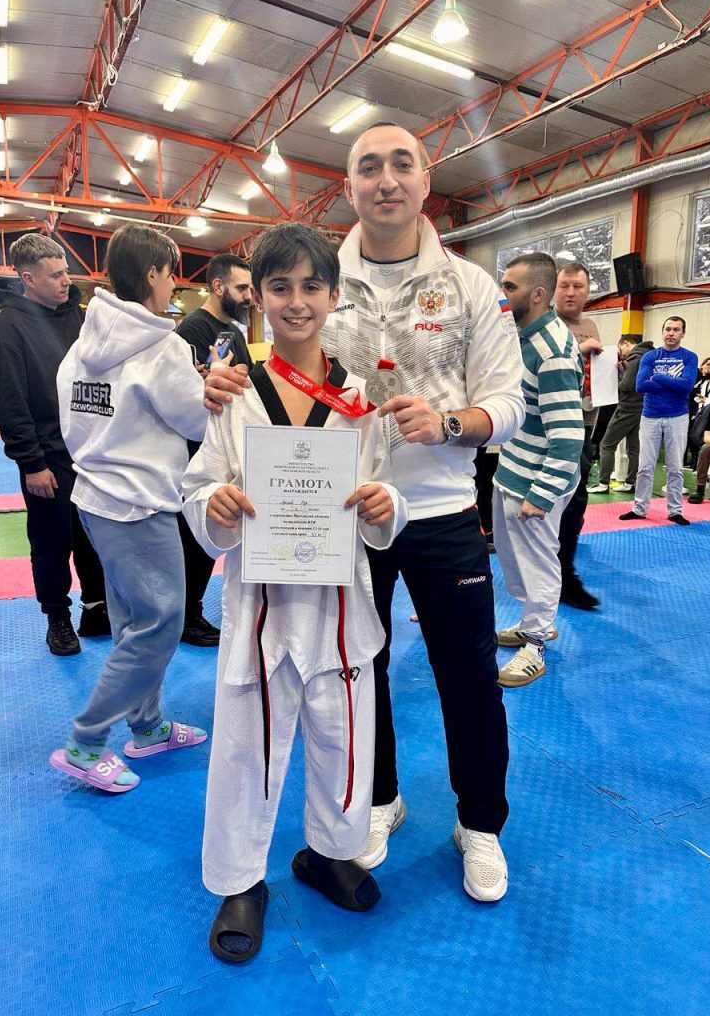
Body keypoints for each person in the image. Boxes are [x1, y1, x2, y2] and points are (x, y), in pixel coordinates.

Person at [202, 121, 525, 904]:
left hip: (441, 509)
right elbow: (269, 374)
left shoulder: (470, 286)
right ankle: (374, 802)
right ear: (348, 186)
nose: (386, 180)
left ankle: (479, 824)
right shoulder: (315, 272)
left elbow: (510, 403)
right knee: (353, 671)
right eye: (369, 167)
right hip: (333, 518)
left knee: (468, 675)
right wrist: (215, 385)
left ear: (425, 180)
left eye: (401, 165)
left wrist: (451, 424)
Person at [182, 223, 407, 963]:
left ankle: (329, 852)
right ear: (258, 296)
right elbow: (198, 485)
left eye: (312, 286)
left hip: (339, 608)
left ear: (335, 295)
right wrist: (213, 504)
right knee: (245, 748)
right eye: (280, 287)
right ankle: (240, 881)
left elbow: (386, 493)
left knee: (344, 740)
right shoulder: (233, 391)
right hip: (260, 605)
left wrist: (385, 507)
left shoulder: (360, 396)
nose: (297, 301)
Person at [49, 224, 209, 794]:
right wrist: (213, 388)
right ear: (152, 273)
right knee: (160, 624)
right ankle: (86, 741)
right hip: (139, 505)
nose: (174, 285)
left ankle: (147, 726)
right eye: (171, 273)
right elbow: (197, 421)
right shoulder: (162, 346)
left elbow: (72, 415)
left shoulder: (85, 341)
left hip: (95, 498)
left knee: (133, 622)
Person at [0, 234, 108, 656]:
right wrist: (31, 463)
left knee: (94, 537)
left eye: (65, 272)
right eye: (55, 275)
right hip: (47, 460)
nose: (66, 281)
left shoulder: (80, 318)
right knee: (52, 542)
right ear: (28, 279)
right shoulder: (8, 329)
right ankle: (57, 617)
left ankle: (96, 609)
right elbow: (9, 404)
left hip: (91, 453)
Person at [493, 254, 583, 687]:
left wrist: (542, 494)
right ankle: (532, 622)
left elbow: (568, 436)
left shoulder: (554, 351)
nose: (502, 294)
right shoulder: (520, 337)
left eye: (510, 287)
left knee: (539, 565)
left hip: (536, 482)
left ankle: (536, 644)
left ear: (538, 294)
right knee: (515, 563)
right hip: (512, 470)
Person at [176, 255, 253, 647]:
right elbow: (188, 391)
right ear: (219, 286)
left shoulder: (233, 331)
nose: (249, 296)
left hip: (232, 444)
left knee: (219, 533)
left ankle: (190, 611)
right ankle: (186, 615)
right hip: (199, 446)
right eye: (241, 288)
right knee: (196, 535)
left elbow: (249, 381)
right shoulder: (192, 329)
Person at [554, 262, 601, 610]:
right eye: (565, 286)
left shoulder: (590, 325)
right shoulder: (544, 323)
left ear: (587, 291)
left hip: (583, 422)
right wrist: (578, 352)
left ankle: (563, 572)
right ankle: (558, 576)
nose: (571, 293)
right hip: (551, 425)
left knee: (576, 500)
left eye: (578, 286)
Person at [619, 316, 698, 526]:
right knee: (645, 466)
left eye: (676, 329)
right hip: (650, 416)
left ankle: (675, 511)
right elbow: (641, 386)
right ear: (663, 332)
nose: (671, 333)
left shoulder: (689, 357)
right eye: (668, 329)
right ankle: (639, 508)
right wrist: (673, 383)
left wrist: (659, 378)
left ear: (683, 333)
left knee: (675, 467)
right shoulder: (650, 356)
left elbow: (687, 386)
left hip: (677, 416)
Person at [588, 335, 654, 493]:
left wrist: (608, 383)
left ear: (626, 343)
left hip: (627, 407)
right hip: (642, 406)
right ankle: (630, 483)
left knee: (606, 445)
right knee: (634, 448)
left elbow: (627, 385)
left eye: (620, 349)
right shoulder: (648, 356)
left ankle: (603, 484)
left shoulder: (634, 358)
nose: (621, 353)